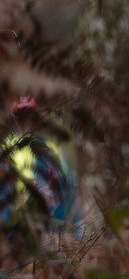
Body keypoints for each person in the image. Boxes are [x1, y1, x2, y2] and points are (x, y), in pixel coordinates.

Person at [0, 96, 77, 244]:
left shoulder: (54, 151)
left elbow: (71, 193)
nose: (26, 123)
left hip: (51, 232)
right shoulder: (6, 152)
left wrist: (72, 234)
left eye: (29, 117)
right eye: (21, 118)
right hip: (17, 232)